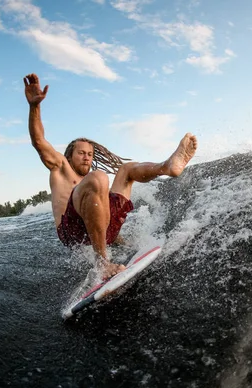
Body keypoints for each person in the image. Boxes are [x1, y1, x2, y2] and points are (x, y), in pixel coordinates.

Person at [24, 73, 197, 279]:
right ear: (69, 156)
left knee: (125, 170)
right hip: (73, 232)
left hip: (98, 228)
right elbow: (39, 142)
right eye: (81, 153)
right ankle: (102, 263)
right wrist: (35, 107)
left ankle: (167, 166)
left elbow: (101, 218)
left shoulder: (91, 184)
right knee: (99, 178)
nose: (87, 158)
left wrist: (125, 243)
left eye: (90, 154)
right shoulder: (61, 167)